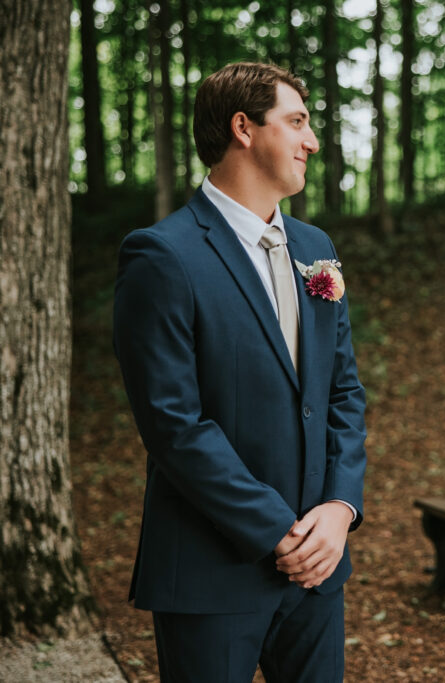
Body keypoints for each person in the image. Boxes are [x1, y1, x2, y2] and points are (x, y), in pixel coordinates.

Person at [113, 62, 367, 682]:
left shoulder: (315, 248)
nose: (312, 141)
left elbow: (342, 393)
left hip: (317, 571)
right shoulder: (163, 255)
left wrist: (338, 508)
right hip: (210, 572)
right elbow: (175, 424)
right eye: (297, 122)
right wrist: (277, 530)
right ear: (243, 129)